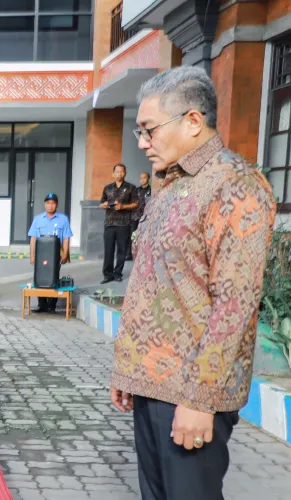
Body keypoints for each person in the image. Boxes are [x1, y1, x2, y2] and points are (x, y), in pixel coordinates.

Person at [110, 66, 276, 500]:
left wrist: (201, 399)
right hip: (150, 385)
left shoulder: (233, 184)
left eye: (149, 130)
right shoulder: (169, 184)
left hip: (191, 392)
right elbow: (153, 280)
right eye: (139, 132)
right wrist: (127, 367)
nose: (142, 143)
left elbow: (235, 303)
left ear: (193, 121)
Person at [27, 193, 73, 314]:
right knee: (39, 276)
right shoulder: (38, 219)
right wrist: (32, 255)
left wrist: (65, 254)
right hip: (40, 254)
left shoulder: (63, 219)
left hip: (55, 254)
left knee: (53, 277)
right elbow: (33, 238)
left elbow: (66, 238)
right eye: (48, 203)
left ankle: (52, 306)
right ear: (44, 204)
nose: (50, 206)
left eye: (53, 203)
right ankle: (42, 305)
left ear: (56, 205)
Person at [99, 164, 139, 284]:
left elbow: (136, 203)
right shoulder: (107, 188)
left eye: (122, 172)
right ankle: (107, 275)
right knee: (108, 250)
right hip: (109, 223)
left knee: (121, 251)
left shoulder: (131, 188)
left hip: (124, 223)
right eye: (117, 172)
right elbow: (101, 203)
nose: (119, 174)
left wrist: (123, 206)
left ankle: (117, 274)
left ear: (125, 173)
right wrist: (104, 205)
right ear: (113, 173)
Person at [131, 171, 151, 236]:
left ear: (149, 179)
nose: (142, 180)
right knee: (133, 236)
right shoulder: (136, 190)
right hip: (134, 217)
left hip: (145, 217)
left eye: (144, 178)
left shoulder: (151, 190)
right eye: (140, 178)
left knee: (143, 235)